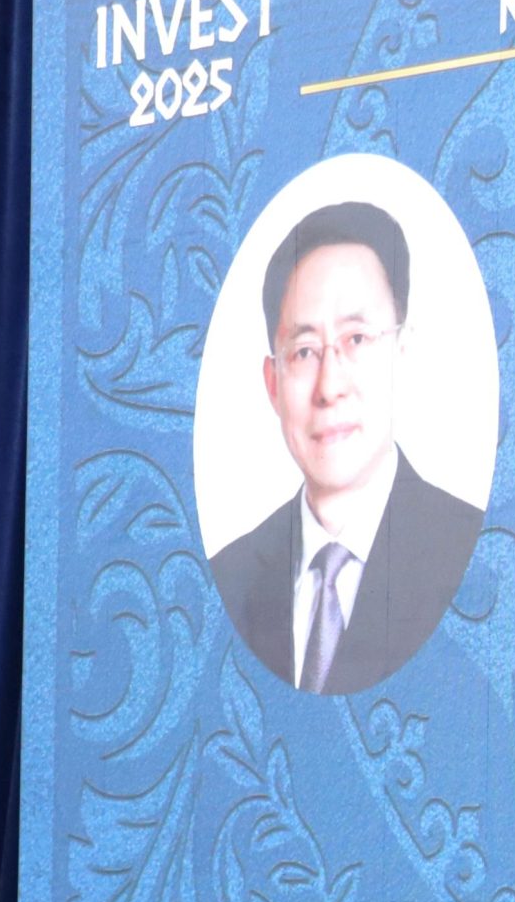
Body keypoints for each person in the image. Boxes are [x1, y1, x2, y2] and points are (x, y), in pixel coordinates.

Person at [207, 200, 483, 695]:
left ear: (402, 353)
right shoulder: (230, 576)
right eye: (305, 351)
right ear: (272, 383)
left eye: (356, 340)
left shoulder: (473, 548)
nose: (329, 386)